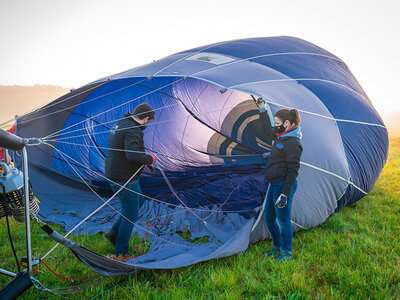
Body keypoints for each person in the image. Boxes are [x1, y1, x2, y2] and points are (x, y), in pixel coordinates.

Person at [104, 103, 156, 258]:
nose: (148, 124)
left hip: (115, 172)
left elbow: (126, 149)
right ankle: (121, 252)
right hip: (124, 177)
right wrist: (150, 159)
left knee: (138, 202)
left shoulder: (122, 122)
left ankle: (113, 233)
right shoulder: (133, 130)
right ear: (145, 118)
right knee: (131, 214)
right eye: (149, 121)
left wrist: (143, 162)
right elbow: (132, 154)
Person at [256, 98, 303, 261]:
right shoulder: (280, 134)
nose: (275, 126)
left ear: (287, 123)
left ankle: (286, 252)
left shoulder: (293, 143)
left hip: (283, 185)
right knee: (269, 218)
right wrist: (262, 111)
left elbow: (293, 171)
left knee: (283, 220)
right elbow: (266, 131)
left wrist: (285, 194)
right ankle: (277, 248)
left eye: (277, 123)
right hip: (274, 184)